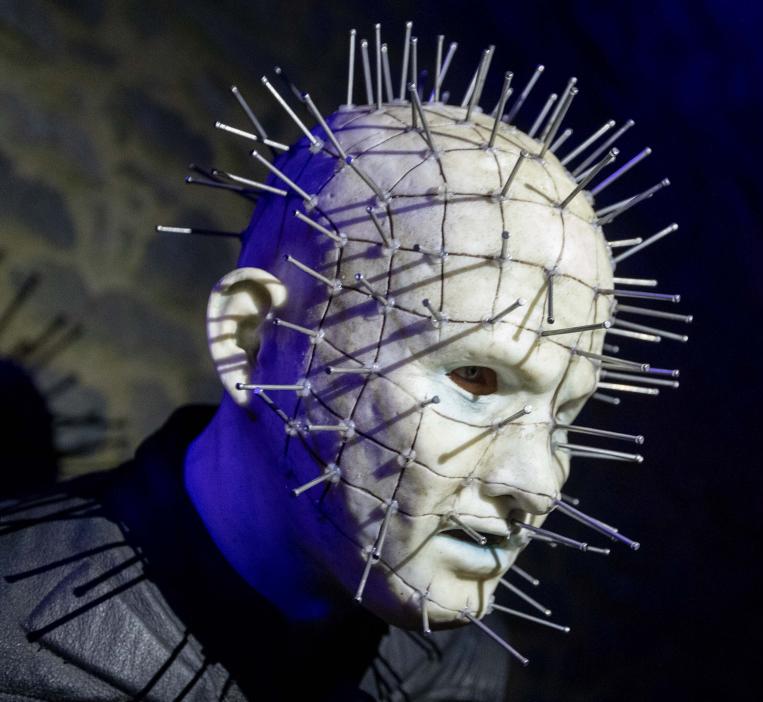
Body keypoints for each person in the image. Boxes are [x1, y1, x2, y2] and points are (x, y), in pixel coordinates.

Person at [0, 27, 632, 700]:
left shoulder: (460, 669)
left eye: (563, 415)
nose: (538, 487)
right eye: (473, 378)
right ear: (252, 339)